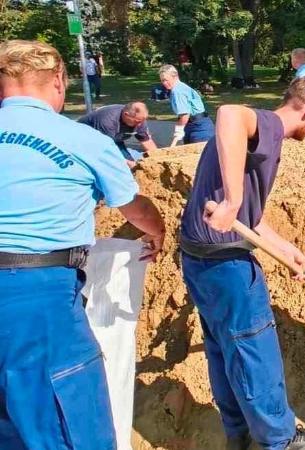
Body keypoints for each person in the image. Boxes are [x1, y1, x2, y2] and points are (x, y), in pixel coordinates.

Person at [0, 39, 165, 449]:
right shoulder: (81, 139)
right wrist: (157, 229)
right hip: (36, 298)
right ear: (58, 79)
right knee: (70, 421)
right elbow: (131, 205)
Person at [178, 77, 305, 450]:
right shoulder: (268, 126)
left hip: (201, 258)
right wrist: (232, 199)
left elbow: (250, 218)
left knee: (223, 348)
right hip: (227, 264)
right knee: (254, 349)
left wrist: (286, 248)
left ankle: (238, 432)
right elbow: (230, 113)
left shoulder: (258, 143)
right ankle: (280, 440)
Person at [78, 102, 159, 167]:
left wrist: (158, 160)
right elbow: (107, 151)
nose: (139, 125)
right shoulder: (108, 121)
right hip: (86, 141)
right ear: (126, 115)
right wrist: (127, 164)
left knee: (131, 165)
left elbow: (147, 142)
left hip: (115, 139)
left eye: (142, 121)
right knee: (116, 167)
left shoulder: (139, 120)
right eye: (137, 121)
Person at [159, 64, 215, 145]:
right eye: (162, 80)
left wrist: (179, 129)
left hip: (199, 128)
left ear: (175, 76)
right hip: (195, 125)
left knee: (199, 155)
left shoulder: (177, 91)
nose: (164, 83)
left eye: (166, 80)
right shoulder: (180, 87)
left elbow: (185, 114)